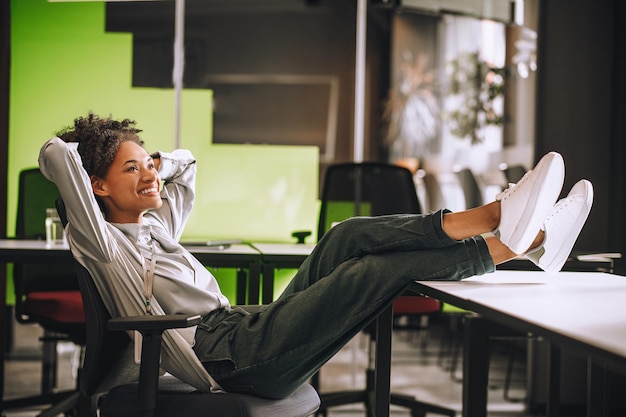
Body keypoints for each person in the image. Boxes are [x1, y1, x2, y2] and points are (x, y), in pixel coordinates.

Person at [38, 113, 593, 400]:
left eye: (147, 165)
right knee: (372, 271)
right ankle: (514, 239)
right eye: (131, 170)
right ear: (96, 189)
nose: (152, 174)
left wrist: (150, 158)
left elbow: (188, 166)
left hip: (241, 329)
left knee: (345, 236)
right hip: (227, 360)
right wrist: (102, 158)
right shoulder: (103, 244)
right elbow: (55, 157)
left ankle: (509, 223)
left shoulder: (156, 226)